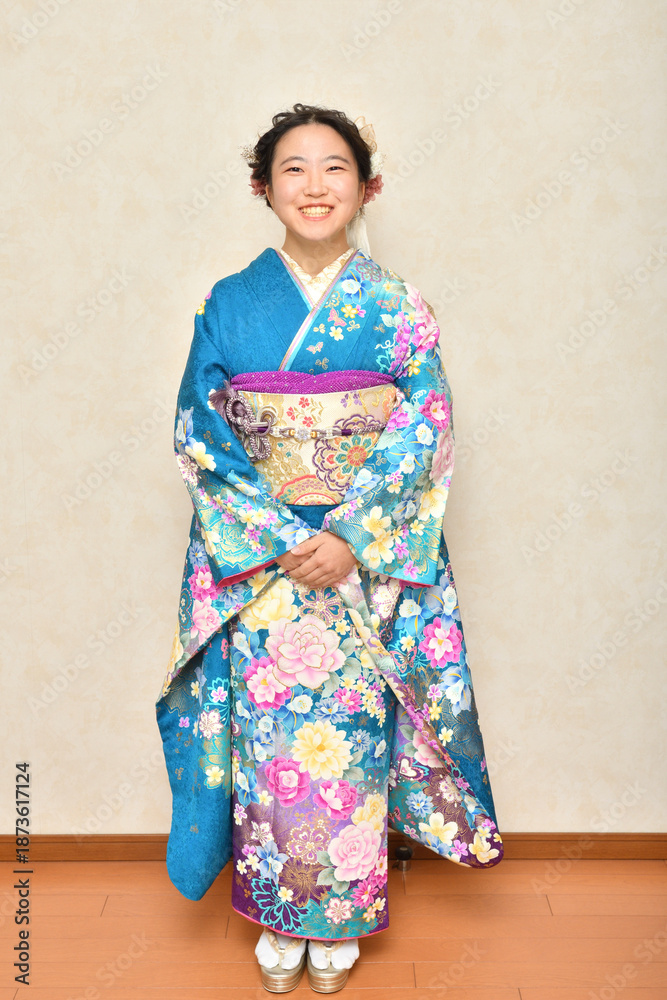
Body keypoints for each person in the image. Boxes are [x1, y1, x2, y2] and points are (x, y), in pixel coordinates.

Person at [156, 103, 504, 994]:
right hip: (265, 562)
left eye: (334, 168)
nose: (315, 186)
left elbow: (425, 425)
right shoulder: (228, 303)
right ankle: (279, 912)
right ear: (263, 187)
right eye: (294, 169)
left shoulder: (397, 307)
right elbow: (200, 434)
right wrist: (281, 539)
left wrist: (350, 536)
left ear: (366, 186)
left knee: (348, 737)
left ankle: (339, 916)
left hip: (359, 561)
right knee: (272, 740)